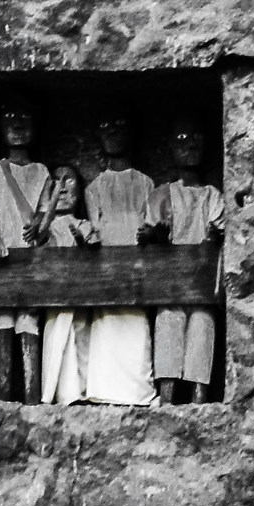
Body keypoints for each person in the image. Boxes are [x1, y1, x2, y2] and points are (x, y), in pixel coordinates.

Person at [81, 118, 158, 406]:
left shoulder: (146, 183)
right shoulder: (94, 188)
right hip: (106, 273)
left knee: (136, 332)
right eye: (106, 125)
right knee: (107, 330)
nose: (112, 130)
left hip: (137, 274)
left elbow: (150, 223)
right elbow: (95, 229)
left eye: (120, 124)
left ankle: (137, 394)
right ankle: (104, 391)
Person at [149, 122, 226, 404]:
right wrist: (154, 234)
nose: (190, 144)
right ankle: (167, 400)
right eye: (182, 137)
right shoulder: (160, 195)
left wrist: (217, 234)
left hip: (202, 282)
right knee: (168, 332)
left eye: (196, 136)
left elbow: (219, 228)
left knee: (202, 333)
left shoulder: (212, 195)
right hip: (169, 282)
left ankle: (199, 402)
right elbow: (149, 233)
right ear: (170, 146)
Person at [0, 102, 49, 401]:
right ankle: (2, 399)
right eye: (10, 116)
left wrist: (40, 227)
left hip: (31, 257)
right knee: (3, 323)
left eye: (24, 115)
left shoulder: (42, 172)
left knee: (29, 324)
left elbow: (47, 217)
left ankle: (31, 399)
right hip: (3, 258)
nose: (18, 123)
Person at [33, 166, 95, 405]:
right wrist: (49, 206)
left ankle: (81, 392)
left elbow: (93, 245)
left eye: (68, 181)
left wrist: (83, 240)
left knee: (80, 342)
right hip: (54, 296)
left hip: (79, 296)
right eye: (56, 181)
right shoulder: (47, 227)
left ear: (79, 192)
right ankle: (58, 395)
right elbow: (39, 236)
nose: (61, 186)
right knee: (55, 341)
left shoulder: (83, 223)